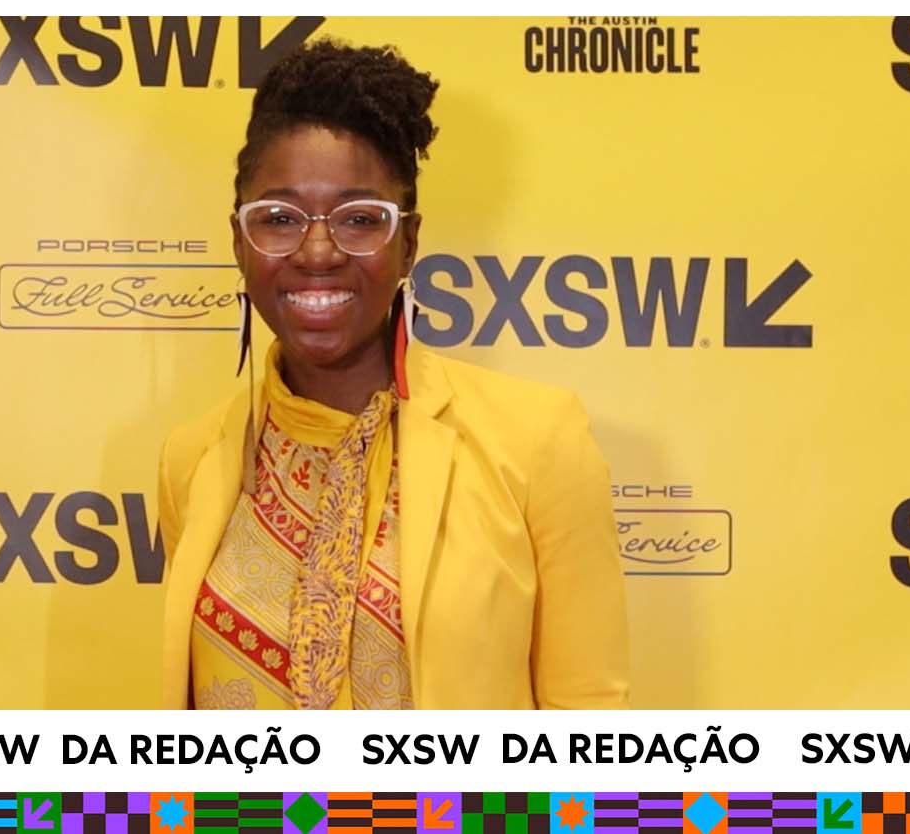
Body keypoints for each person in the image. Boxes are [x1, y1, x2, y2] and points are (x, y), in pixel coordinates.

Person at [156, 39, 629, 710]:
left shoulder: (535, 441)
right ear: (239, 241)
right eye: (279, 218)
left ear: (408, 242)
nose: (317, 251)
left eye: (359, 219)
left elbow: (590, 714)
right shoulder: (194, 461)